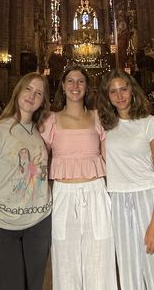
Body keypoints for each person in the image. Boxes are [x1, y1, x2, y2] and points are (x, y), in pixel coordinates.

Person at [98, 69, 154, 290]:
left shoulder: (150, 122)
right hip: (118, 203)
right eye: (113, 91)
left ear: (132, 90)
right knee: (128, 272)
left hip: (148, 200)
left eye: (124, 89)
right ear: (107, 97)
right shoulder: (106, 127)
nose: (119, 95)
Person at [41, 64, 117, 290]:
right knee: (66, 259)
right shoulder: (50, 120)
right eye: (70, 81)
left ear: (87, 87)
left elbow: (110, 158)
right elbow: (38, 160)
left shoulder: (98, 117)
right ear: (62, 87)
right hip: (64, 195)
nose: (75, 85)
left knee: (101, 256)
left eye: (80, 81)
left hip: (96, 192)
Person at [0, 72, 52, 290]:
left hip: (40, 221)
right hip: (4, 223)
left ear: (43, 100)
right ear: (17, 91)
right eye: (28, 89)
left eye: (39, 93)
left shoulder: (44, 132)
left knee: (33, 285)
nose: (32, 95)